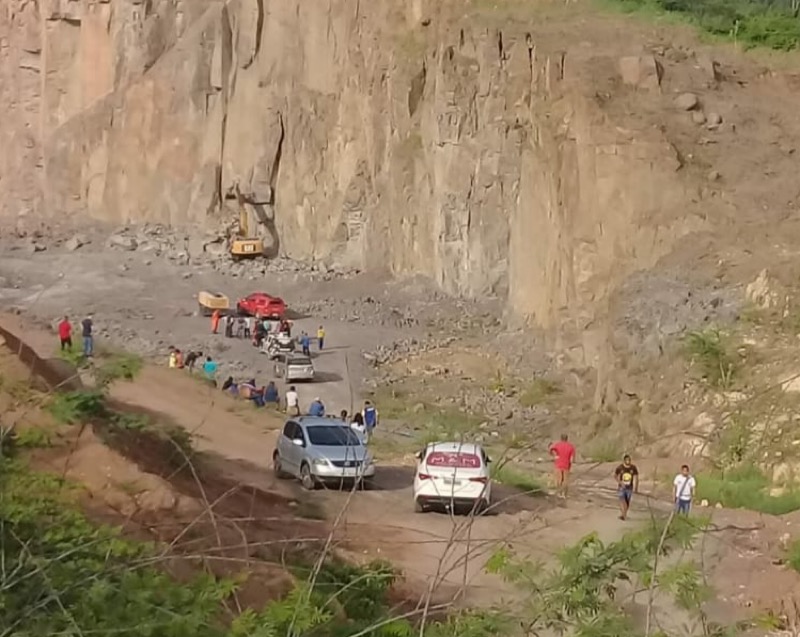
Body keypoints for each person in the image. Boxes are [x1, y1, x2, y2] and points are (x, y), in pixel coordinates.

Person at [549, 433, 576, 498]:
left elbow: (550, 449)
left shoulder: (557, 445)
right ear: (567, 439)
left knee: (558, 480)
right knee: (565, 480)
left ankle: (559, 493)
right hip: (566, 465)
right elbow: (572, 458)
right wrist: (571, 463)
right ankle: (564, 494)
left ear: (561, 438)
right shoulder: (571, 446)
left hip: (558, 464)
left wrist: (554, 456)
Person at [614, 454, 639, 521]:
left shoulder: (633, 468)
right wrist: (620, 483)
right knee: (623, 501)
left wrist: (636, 488)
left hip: (630, 487)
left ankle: (623, 515)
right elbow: (615, 476)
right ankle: (624, 515)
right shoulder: (620, 467)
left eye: (629, 460)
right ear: (624, 460)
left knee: (627, 503)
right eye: (627, 460)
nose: (628, 461)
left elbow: (636, 477)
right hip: (622, 488)